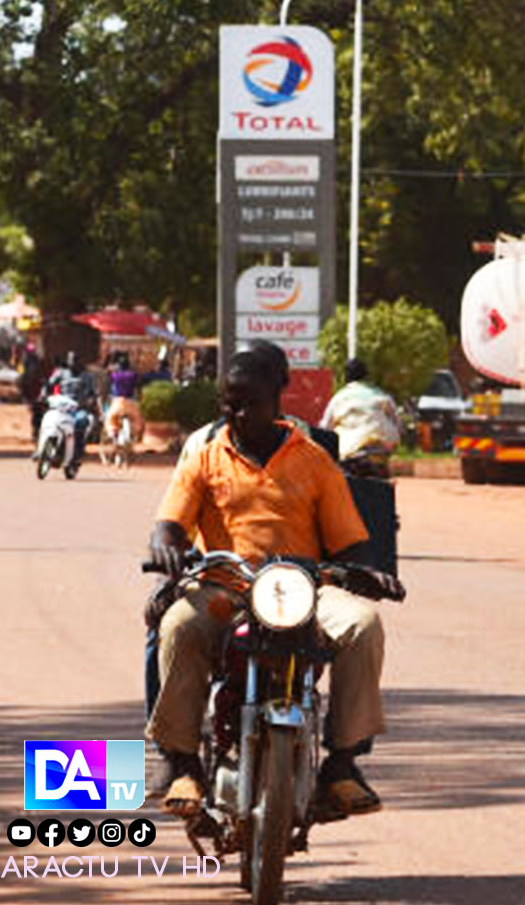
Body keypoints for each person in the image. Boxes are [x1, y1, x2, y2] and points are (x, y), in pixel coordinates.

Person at [147, 349, 392, 823]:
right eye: (229, 403)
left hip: (303, 589)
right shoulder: (204, 458)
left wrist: (370, 571)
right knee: (177, 626)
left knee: (363, 624)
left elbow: (350, 542)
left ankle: (342, 764)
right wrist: (165, 546)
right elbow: (169, 525)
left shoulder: (314, 460)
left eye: (249, 403)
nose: (237, 414)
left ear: (276, 398)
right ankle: (184, 764)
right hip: (227, 590)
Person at [319, 358, 402, 477]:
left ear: (345, 376)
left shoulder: (339, 398)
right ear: (366, 375)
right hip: (383, 446)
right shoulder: (381, 395)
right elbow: (397, 423)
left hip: (350, 450)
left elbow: (325, 426)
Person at [103, 352, 144, 454]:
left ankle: (112, 434)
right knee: (137, 421)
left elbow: (107, 374)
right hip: (131, 402)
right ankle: (134, 436)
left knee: (110, 419)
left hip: (117, 402)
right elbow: (139, 382)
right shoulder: (133, 375)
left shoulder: (115, 375)